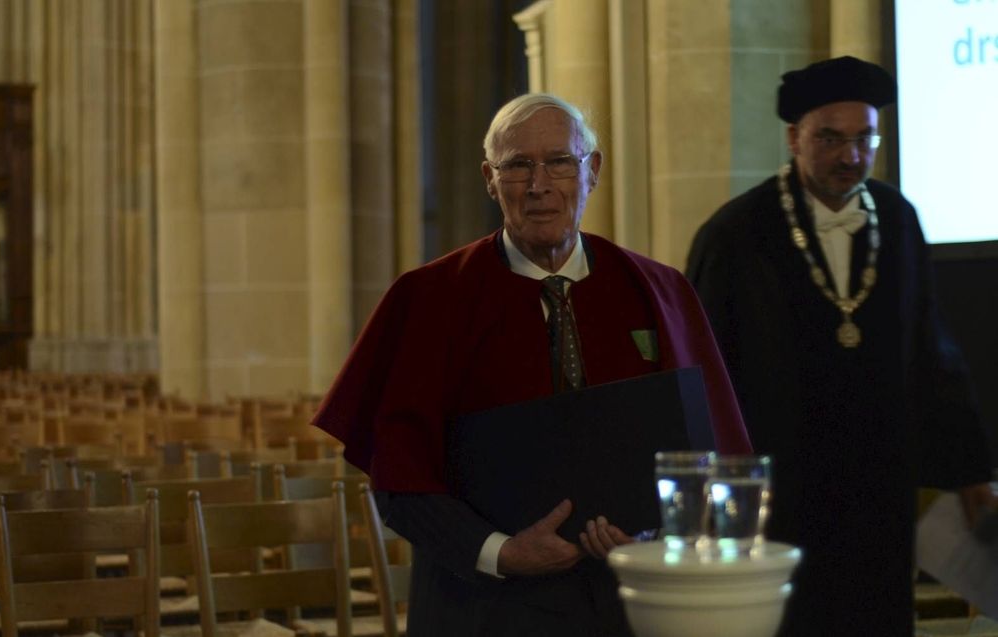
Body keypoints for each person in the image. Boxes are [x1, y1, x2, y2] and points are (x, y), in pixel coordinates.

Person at [313, 93, 752, 636]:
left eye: (559, 162)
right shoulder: (427, 299)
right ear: (489, 179)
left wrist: (658, 536)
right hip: (481, 605)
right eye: (518, 164)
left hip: (628, 605)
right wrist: (500, 552)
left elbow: (712, 457)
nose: (539, 184)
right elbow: (400, 482)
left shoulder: (660, 291)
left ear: (592, 171)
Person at [685, 56, 995, 636]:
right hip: (781, 490)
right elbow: (705, 371)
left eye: (864, 140)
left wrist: (972, 470)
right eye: (830, 138)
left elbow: (932, 350)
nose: (850, 157)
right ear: (793, 138)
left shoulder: (898, 219)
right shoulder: (735, 233)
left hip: (878, 484)